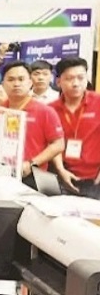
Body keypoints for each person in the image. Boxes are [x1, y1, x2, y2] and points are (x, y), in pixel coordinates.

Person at [50, 57, 100, 198]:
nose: (76, 83)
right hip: (62, 177)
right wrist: (61, 170)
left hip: (95, 177)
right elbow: (52, 142)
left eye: (80, 78)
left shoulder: (98, 103)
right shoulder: (50, 110)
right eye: (69, 78)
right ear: (58, 81)